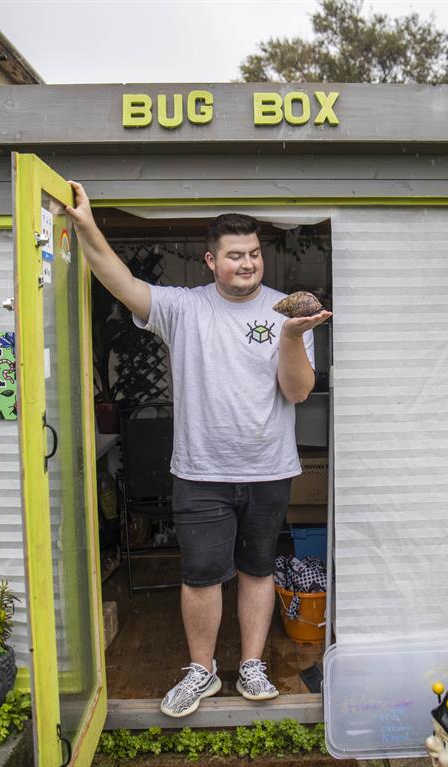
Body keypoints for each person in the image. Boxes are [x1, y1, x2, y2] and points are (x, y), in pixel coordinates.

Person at [65, 182, 332, 717]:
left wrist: (289, 338)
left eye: (254, 253)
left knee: (258, 569)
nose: (248, 263)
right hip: (200, 471)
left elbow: (298, 391)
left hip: (268, 469)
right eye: (235, 255)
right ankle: (202, 670)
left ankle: (252, 665)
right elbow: (120, 281)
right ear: (212, 261)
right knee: (201, 574)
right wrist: (86, 225)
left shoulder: (286, 314)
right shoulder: (183, 308)